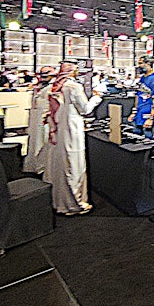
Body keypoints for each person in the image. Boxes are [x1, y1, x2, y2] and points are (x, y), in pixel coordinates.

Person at [43, 61, 103, 216]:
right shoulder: (73, 87)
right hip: (72, 130)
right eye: (75, 69)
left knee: (62, 165)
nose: (77, 72)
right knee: (74, 165)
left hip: (59, 131)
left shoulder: (56, 87)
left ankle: (60, 202)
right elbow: (85, 109)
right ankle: (75, 203)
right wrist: (96, 98)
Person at [22, 66, 55, 174]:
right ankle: (33, 166)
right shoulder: (38, 86)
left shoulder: (53, 87)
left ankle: (42, 167)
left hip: (45, 119)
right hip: (35, 118)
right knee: (34, 142)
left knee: (43, 142)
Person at [128, 55, 154, 138]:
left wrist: (151, 118)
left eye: (141, 63)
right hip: (139, 114)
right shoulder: (142, 78)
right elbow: (138, 95)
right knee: (136, 138)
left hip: (147, 114)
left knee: (148, 139)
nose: (139, 66)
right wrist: (134, 112)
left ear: (148, 64)